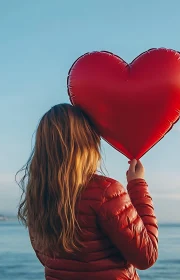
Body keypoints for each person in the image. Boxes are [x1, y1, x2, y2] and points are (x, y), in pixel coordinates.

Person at [17, 103, 158, 280]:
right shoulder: (105, 192)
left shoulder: (37, 196)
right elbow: (147, 256)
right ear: (87, 142)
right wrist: (138, 185)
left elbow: (47, 260)